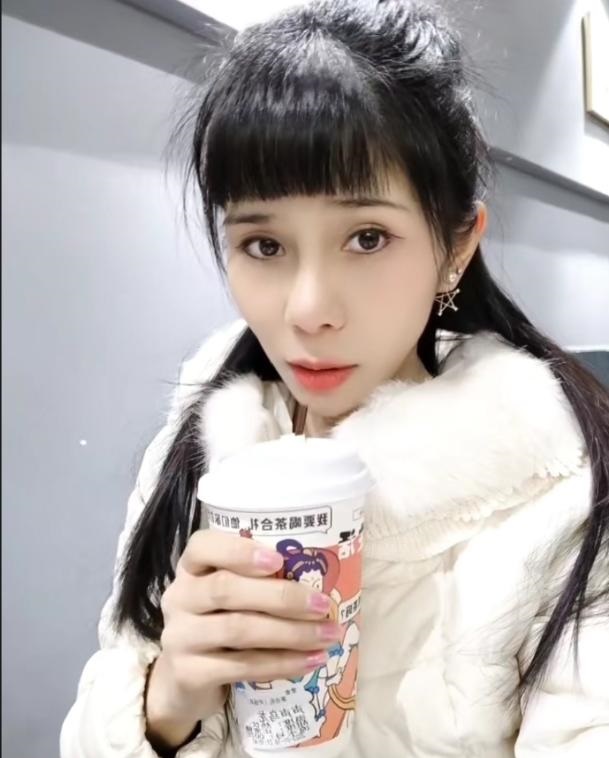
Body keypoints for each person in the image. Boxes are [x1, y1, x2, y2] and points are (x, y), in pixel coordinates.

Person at [60, 1, 609, 756]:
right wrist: (167, 703)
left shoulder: (565, 496)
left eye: (367, 237)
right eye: (263, 245)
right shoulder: (197, 450)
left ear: (455, 248)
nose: (308, 310)